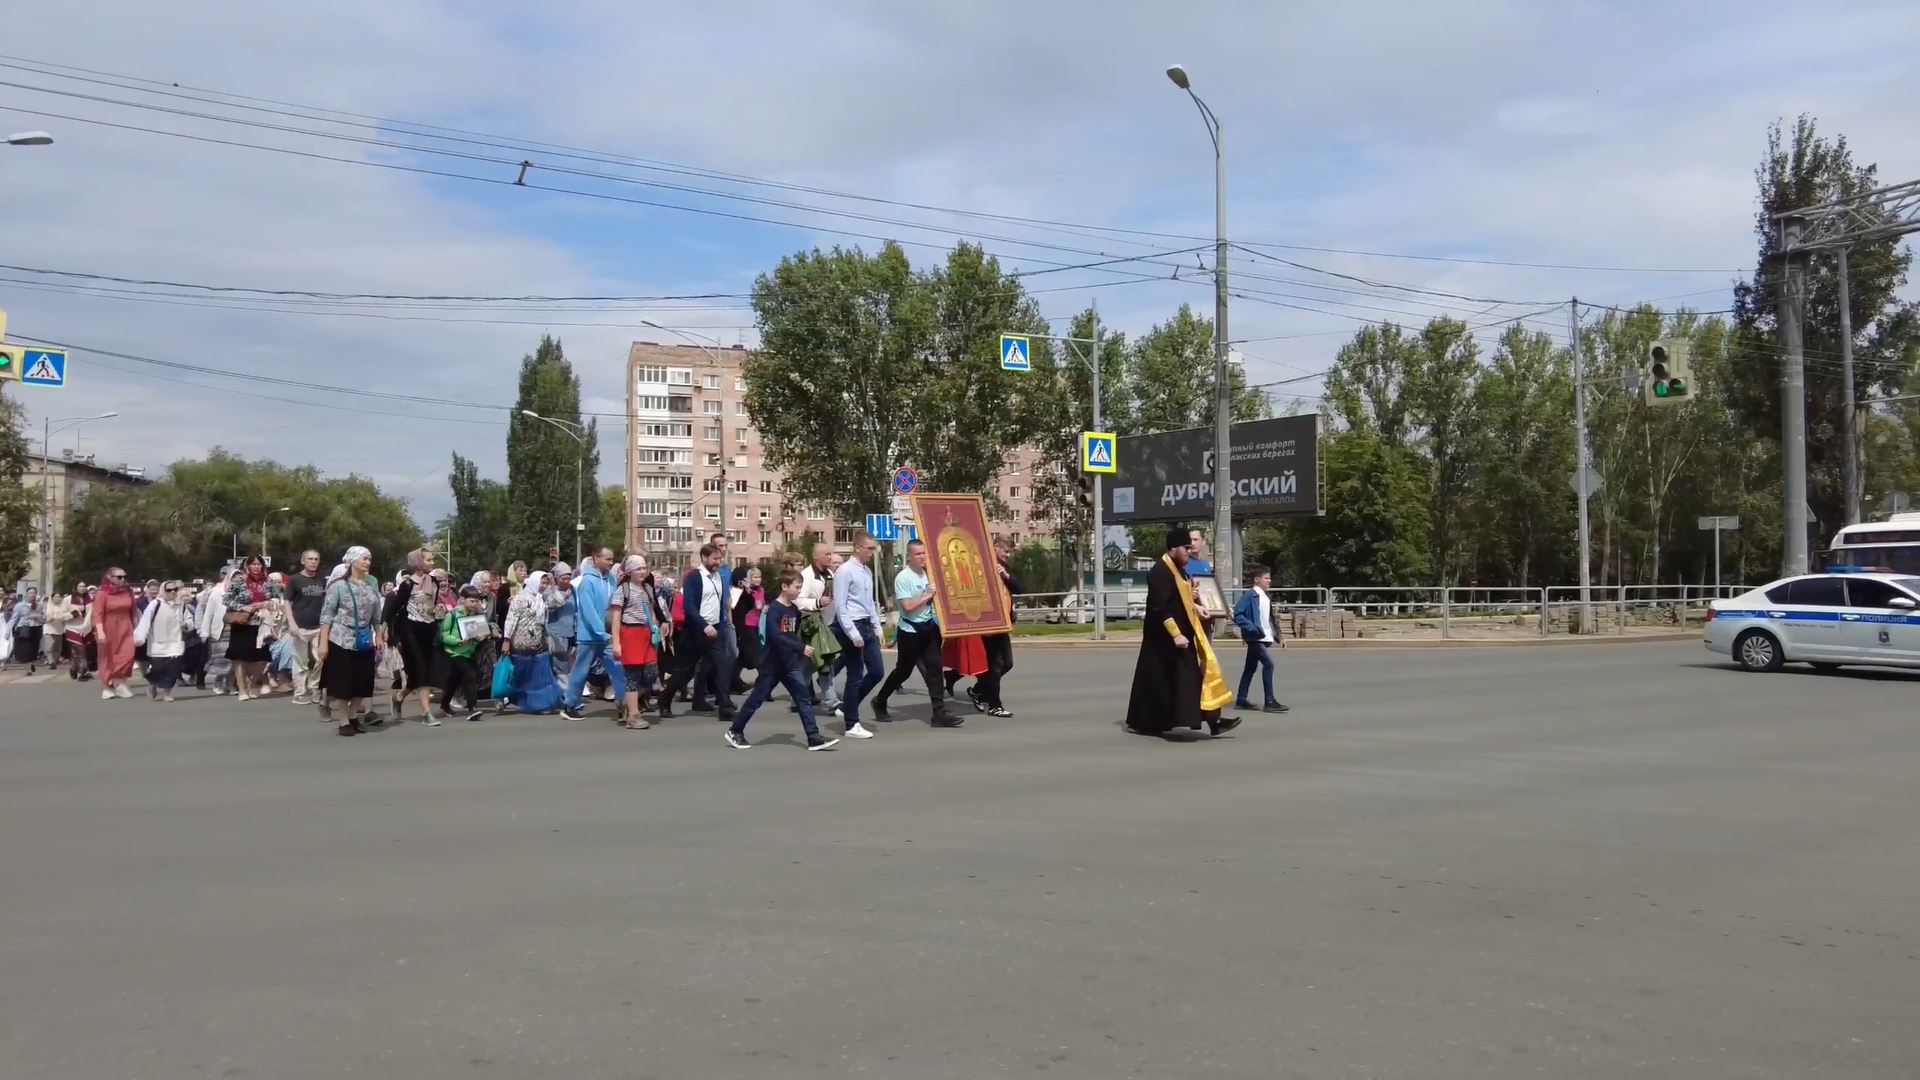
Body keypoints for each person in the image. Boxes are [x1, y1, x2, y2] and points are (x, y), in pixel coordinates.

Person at [1124, 526, 1237, 738]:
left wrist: (1198, 607)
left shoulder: (1178, 568)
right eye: (1186, 547)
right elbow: (1161, 607)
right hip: (1165, 641)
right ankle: (1210, 721)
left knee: (1193, 676)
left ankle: (1214, 721)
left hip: (1183, 636)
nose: (1189, 551)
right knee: (1168, 681)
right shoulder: (1160, 572)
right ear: (1174, 548)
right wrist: (1176, 634)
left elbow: (1182, 599)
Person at [724, 568, 839, 751]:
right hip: (772, 665)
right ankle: (735, 731)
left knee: (803, 699)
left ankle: (813, 737)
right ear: (784, 586)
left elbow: (793, 634)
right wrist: (800, 648)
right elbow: (776, 637)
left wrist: (800, 648)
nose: (799, 591)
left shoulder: (793, 609)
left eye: (800, 587)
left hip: (790, 665)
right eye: (796, 587)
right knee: (756, 699)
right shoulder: (774, 610)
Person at [870, 539, 963, 727]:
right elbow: (907, 607)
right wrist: (927, 595)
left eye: (924, 553)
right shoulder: (903, 577)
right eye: (917, 554)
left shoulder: (929, 575)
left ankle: (939, 713)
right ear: (909, 556)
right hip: (910, 631)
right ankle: (880, 700)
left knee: (935, 670)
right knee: (903, 671)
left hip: (929, 628)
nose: (922, 557)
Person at [656, 543, 730, 722]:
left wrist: (721, 623)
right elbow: (689, 606)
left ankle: (726, 708)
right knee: (684, 671)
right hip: (696, 632)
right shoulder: (694, 577)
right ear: (704, 558)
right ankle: (664, 699)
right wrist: (703, 625)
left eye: (719, 559)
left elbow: (719, 602)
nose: (717, 562)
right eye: (714, 559)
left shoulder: (718, 576)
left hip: (716, 629)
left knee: (722, 667)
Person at [316, 546, 384, 737]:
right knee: (342, 683)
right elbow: (326, 615)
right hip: (340, 639)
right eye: (364, 558)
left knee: (363, 682)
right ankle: (344, 720)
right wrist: (323, 643)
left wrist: (378, 635)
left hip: (363, 641)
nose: (367, 562)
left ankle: (354, 714)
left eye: (369, 559)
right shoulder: (338, 586)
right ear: (353, 561)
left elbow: (376, 617)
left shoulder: (370, 587)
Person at [560, 547, 626, 721]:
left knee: (618, 668)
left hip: (607, 635)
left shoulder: (611, 579)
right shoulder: (586, 582)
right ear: (595, 559)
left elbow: (614, 605)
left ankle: (624, 703)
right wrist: (601, 632)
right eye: (607, 559)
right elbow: (588, 611)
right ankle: (569, 705)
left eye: (612, 559)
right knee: (580, 671)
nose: (611, 562)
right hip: (589, 635)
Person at [831, 534, 883, 739]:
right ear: (856, 548)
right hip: (850, 625)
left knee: (877, 671)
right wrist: (852, 633)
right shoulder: (844, 571)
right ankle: (852, 724)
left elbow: (869, 602)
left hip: (866, 625)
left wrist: (878, 628)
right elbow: (840, 605)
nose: (872, 553)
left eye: (873, 549)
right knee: (855, 675)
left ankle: (848, 706)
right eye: (869, 548)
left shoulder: (866, 570)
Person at [386, 550, 445, 725]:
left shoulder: (434, 582)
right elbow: (394, 610)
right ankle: (427, 713)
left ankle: (398, 698)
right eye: (428, 560)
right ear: (418, 562)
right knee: (422, 670)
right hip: (410, 630)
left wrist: (437, 610)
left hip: (428, 628)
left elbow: (432, 604)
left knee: (417, 675)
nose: (432, 562)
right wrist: (387, 633)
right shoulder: (407, 584)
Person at [501, 569, 563, 715]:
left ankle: (540, 704)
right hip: (522, 643)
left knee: (539, 676)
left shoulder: (541, 599)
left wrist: (553, 585)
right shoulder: (520, 598)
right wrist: (506, 640)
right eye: (542, 582)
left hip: (540, 642)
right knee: (522, 676)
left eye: (545, 583)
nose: (543, 585)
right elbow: (511, 620)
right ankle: (509, 698)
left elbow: (559, 602)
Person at [222, 554, 282, 701]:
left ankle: (252, 684)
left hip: (262, 624)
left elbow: (276, 598)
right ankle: (242, 690)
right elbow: (226, 599)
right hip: (243, 622)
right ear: (247, 566)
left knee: (262, 657)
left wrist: (266, 604)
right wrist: (244, 607)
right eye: (253, 564)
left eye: (259, 564)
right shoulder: (238, 581)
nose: (256, 567)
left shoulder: (267, 582)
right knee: (240, 657)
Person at [1231, 565, 1288, 714]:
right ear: (1257, 580)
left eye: (1269, 578)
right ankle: (1269, 701)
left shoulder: (1265, 596)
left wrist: (1278, 636)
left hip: (1264, 637)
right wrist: (1251, 628)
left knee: (1250, 668)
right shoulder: (1250, 595)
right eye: (1266, 578)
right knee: (1268, 664)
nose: (1269, 581)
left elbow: (1269, 619)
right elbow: (1237, 613)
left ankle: (1241, 700)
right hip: (1255, 637)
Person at [612, 555, 659, 729]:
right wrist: (616, 643)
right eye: (638, 569)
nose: (642, 572)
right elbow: (616, 618)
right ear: (630, 571)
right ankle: (633, 715)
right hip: (630, 634)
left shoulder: (647, 588)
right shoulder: (622, 590)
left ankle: (625, 702)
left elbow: (651, 610)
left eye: (644, 568)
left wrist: (656, 625)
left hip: (646, 634)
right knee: (632, 676)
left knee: (651, 673)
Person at [437, 586, 493, 722]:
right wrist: (457, 641)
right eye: (472, 601)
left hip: (469, 652)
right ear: (463, 599)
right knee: (469, 677)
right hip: (454, 653)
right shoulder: (453, 615)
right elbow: (443, 635)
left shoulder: (475, 615)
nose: (474, 604)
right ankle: (472, 708)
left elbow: (481, 631)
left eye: (476, 601)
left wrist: (483, 636)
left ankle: (445, 703)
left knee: (455, 681)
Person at [282, 549, 329, 709]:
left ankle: (314, 688)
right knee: (300, 661)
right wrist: (292, 624)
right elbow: (287, 603)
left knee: (319, 659)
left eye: (316, 559)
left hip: (318, 626)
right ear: (303, 561)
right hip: (300, 627)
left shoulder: (322, 580)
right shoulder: (294, 580)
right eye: (310, 559)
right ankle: (300, 692)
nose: (313, 561)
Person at [135, 580, 190, 701]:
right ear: (163, 591)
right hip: (158, 643)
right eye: (169, 590)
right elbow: (145, 621)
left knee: (173, 669)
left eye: (175, 589)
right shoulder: (155, 604)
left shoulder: (181, 605)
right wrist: (139, 637)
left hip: (175, 642)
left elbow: (190, 619)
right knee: (158, 668)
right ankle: (153, 683)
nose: (173, 592)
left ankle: (167, 693)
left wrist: (186, 624)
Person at [93, 568, 139, 700]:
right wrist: (100, 632)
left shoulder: (128, 591)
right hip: (108, 627)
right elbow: (97, 614)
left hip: (126, 626)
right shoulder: (103, 593)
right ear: (110, 577)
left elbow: (133, 611)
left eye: (124, 576)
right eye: (119, 577)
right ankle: (107, 686)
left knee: (127, 655)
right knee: (108, 658)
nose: (123, 579)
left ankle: (120, 683)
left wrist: (138, 629)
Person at [728, 565, 765, 693]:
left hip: (754, 626)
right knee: (757, 656)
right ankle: (764, 686)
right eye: (754, 577)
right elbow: (734, 609)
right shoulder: (735, 592)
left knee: (741, 659)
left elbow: (750, 603)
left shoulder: (752, 591)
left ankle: (733, 682)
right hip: (744, 626)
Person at [544, 562, 577, 682]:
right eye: (563, 578)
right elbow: (554, 604)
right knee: (559, 666)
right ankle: (562, 694)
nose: (567, 581)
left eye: (569, 578)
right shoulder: (549, 591)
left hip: (570, 633)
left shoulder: (573, 590)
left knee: (567, 665)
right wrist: (556, 590)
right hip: (555, 634)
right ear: (556, 578)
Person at [8, 587, 44, 675]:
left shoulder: (39, 606)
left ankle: (30, 666)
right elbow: (14, 619)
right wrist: (8, 631)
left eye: (34, 593)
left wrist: (38, 617)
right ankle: (27, 668)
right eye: (30, 593)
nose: (32, 595)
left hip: (36, 628)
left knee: (33, 650)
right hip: (24, 629)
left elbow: (43, 619)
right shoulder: (20, 606)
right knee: (24, 651)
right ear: (26, 594)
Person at [63, 582, 93, 682]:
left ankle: (80, 670)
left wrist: (87, 626)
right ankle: (77, 669)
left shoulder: (89, 600)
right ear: (75, 588)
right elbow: (62, 616)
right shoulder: (67, 600)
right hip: (71, 627)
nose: (82, 588)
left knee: (83, 651)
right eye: (80, 586)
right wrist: (75, 613)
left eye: (84, 586)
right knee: (77, 650)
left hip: (85, 628)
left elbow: (90, 614)